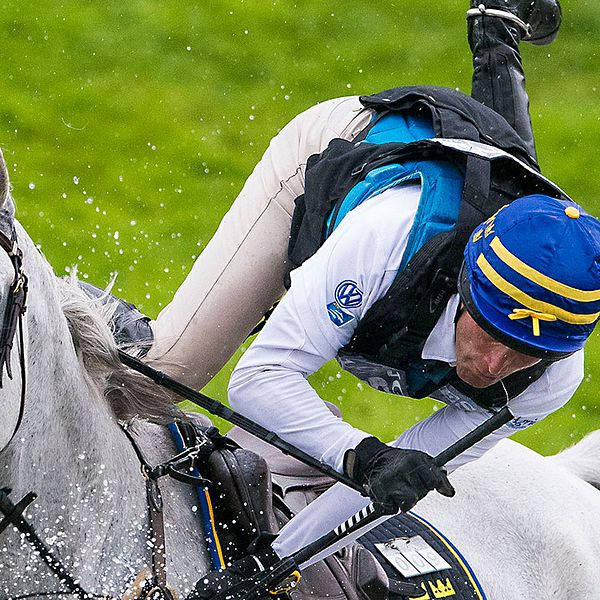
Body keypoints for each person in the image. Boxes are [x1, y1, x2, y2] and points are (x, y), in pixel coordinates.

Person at [97, 0, 600, 597]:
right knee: (156, 380)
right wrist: (360, 454)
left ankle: (497, 33)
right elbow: (258, 380)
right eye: (489, 332)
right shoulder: (388, 237)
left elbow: (389, 487)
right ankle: (74, 322)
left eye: (520, 355)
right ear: (464, 288)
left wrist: (261, 572)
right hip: (336, 158)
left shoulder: (550, 379)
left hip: (491, 186)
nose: (491, 369)